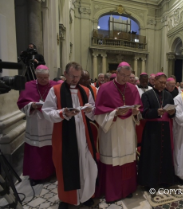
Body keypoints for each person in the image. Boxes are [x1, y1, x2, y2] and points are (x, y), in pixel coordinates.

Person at [42, 62, 97, 208]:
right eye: (72, 76)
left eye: (78, 77)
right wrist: (63, 113)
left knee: (86, 165)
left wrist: (90, 109)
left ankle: (85, 195)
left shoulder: (85, 90)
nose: (75, 80)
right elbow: (47, 112)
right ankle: (67, 199)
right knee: (65, 167)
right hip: (64, 136)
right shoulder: (55, 90)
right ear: (65, 74)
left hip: (83, 135)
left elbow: (93, 113)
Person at [94, 62, 142, 203]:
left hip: (127, 128)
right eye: (123, 75)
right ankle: (112, 192)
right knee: (113, 160)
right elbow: (98, 112)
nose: (125, 79)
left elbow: (139, 110)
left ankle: (126, 189)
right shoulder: (105, 88)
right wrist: (115, 112)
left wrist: (135, 112)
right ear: (117, 73)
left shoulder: (133, 89)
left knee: (127, 160)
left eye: (128, 76)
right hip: (112, 129)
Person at [17, 65, 57, 186]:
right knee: (37, 149)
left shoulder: (54, 86)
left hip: (50, 122)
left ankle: (52, 171)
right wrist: (32, 106)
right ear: (36, 76)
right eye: (41, 78)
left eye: (46, 77)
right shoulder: (29, 85)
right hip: (35, 122)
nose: (44, 80)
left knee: (51, 147)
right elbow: (22, 103)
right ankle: (36, 175)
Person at [138, 72, 176, 189]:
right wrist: (156, 112)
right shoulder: (147, 95)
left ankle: (165, 180)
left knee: (165, 154)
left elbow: (173, 112)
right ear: (154, 82)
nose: (163, 85)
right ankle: (150, 182)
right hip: (152, 130)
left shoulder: (168, 95)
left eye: (165, 83)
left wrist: (172, 113)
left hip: (165, 127)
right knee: (152, 155)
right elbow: (144, 113)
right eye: (161, 83)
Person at [136, 73, 152, 145]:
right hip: (138, 116)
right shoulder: (135, 88)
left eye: (146, 81)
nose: (145, 83)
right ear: (139, 80)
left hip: (149, 116)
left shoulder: (151, 89)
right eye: (143, 81)